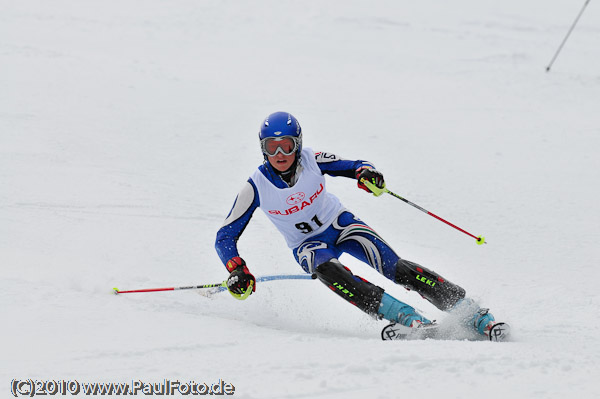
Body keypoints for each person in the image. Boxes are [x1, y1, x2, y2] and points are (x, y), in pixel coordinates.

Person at [215, 111, 508, 341]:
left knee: (397, 268)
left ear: (298, 144)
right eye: (272, 147)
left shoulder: (312, 160)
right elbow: (224, 236)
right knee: (328, 271)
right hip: (308, 246)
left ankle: (472, 314)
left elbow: (356, 165)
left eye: (287, 146)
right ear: (262, 149)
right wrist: (236, 268)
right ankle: (407, 318)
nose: (280, 154)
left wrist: (368, 175)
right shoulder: (255, 187)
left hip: (341, 225)